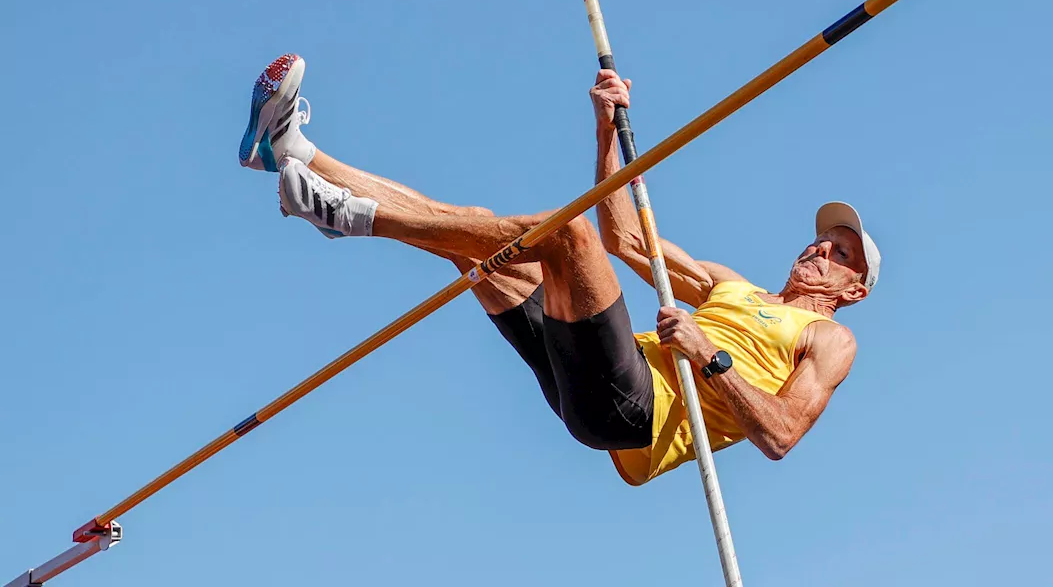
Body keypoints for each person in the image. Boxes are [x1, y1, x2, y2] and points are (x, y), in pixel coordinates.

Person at [238, 54, 882, 485]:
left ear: (853, 290)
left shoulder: (830, 339)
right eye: (823, 239)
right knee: (474, 233)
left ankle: (354, 217)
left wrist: (711, 355)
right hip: (600, 375)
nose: (820, 249)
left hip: (637, 412)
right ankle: (293, 152)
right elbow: (625, 234)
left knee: (563, 235)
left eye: (839, 253)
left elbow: (783, 435)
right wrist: (605, 132)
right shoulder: (729, 284)